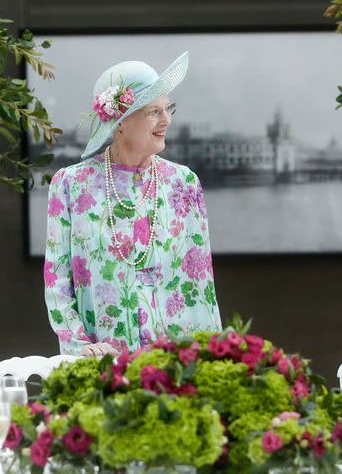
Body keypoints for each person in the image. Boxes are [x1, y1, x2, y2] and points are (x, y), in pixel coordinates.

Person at [43, 52, 222, 356]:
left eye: (168, 108)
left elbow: (201, 285)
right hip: (101, 362)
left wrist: (209, 357)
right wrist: (82, 348)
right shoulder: (71, 184)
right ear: (121, 122)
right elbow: (57, 280)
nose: (167, 120)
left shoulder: (184, 182)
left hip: (174, 364)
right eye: (154, 111)